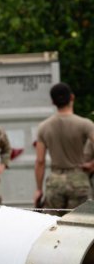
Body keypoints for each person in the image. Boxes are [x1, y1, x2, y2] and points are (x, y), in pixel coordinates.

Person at [34, 83, 94, 215]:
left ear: (53, 102)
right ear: (72, 97)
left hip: (55, 182)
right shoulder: (85, 124)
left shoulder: (43, 127)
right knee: (81, 224)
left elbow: (40, 161)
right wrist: (91, 164)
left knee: (54, 224)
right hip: (79, 180)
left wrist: (38, 189)